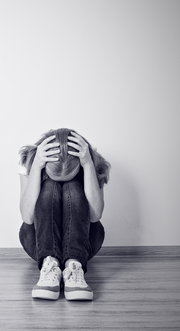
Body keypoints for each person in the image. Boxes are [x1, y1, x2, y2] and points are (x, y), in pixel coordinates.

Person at [18, 128, 110, 301]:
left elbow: (95, 216)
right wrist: (37, 166)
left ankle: (74, 265)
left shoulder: (92, 163)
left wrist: (88, 165)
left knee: (73, 187)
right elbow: (27, 217)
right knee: (49, 188)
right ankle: (49, 263)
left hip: (84, 245)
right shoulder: (30, 161)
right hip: (39, 244)